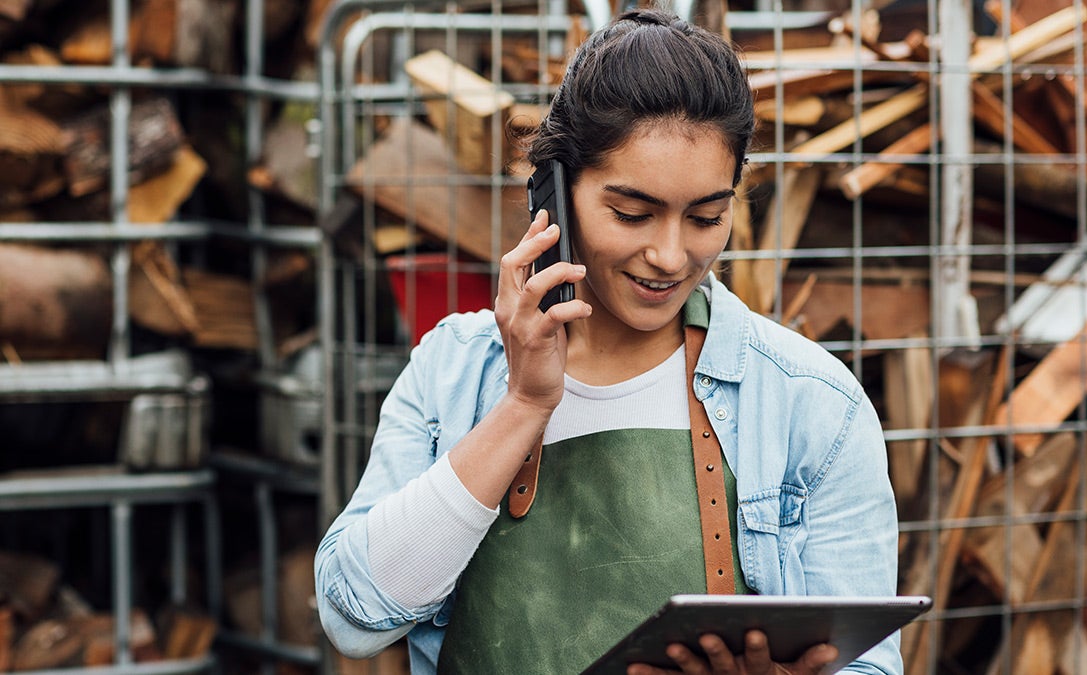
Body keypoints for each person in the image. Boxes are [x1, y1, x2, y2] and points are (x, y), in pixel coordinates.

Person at [315, 8, 900, 675]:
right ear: (556, 191)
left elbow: (871, 666)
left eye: (706, 216)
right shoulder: (454, 370)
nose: (671, 255)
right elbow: (353, 619)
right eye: (632, 213)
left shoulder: (812, 404)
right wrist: (523, 404)